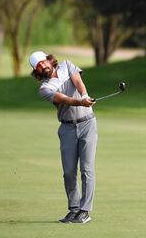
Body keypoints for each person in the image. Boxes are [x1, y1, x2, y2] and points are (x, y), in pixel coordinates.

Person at [29, 51, 97, 224]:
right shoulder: (44, 88)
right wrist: (81, 102)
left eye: (43, 62)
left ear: (49, 60)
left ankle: (84, 211)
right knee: (68, 172)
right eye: (38, 66)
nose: (42, 66)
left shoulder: (67, 65)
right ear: (36, 71)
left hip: (87, 124)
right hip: (67, 127)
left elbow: (78, 81)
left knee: (87, 169)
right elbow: (64, 99)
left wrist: (84, 96)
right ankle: (74, 209)